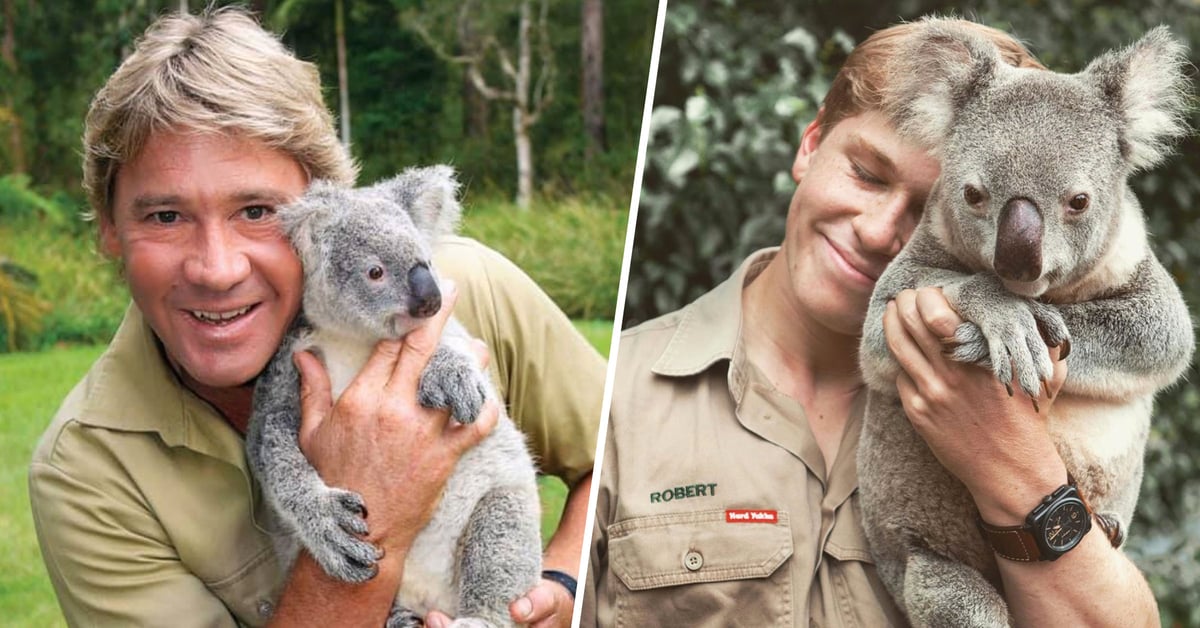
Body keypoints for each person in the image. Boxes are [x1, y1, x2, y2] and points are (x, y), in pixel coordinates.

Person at [28, 8, 601, 627]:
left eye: (257, 212)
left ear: (320, 214)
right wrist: (380, 503)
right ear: (110, 228)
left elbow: (619, 457)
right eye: (165, 217)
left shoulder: (463, 286)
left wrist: (562, 582)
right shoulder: (85, 474)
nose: (216, 269)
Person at [583, 17, 1162, 627]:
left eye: (930, 206)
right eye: (866, 173)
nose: (878, 231)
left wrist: (1017, 470)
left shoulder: (1040, 383)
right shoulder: (619, 389)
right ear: (810, 144)